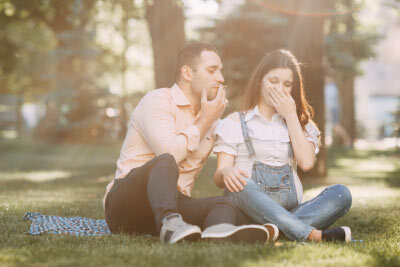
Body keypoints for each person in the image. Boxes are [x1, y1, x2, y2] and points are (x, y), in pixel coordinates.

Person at [103, 42, 274, 244]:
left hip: (170, 205)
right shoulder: (157, 101)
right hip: (125, 205)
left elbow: (236, 146)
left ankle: (219, 232)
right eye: (212, 70)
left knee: (223, 203)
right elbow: (170, 153)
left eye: (220, 71)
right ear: (187, 73)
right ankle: (170, 224)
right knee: (165, 161)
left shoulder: (211, 120)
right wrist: (205, 122)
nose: (221, 78)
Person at [213, 50, 353, 242]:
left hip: (292, 210)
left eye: (287, 84)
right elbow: (219, 176)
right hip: (246, 207)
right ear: (260, 81)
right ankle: (311, 234)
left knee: (341, 194)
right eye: (273, 81)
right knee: (242, 184)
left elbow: (306, 163)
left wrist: (291, 116)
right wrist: (227, 171)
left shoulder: (302, 125)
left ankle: (272, 230)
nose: (280, 89)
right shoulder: (236, 122)